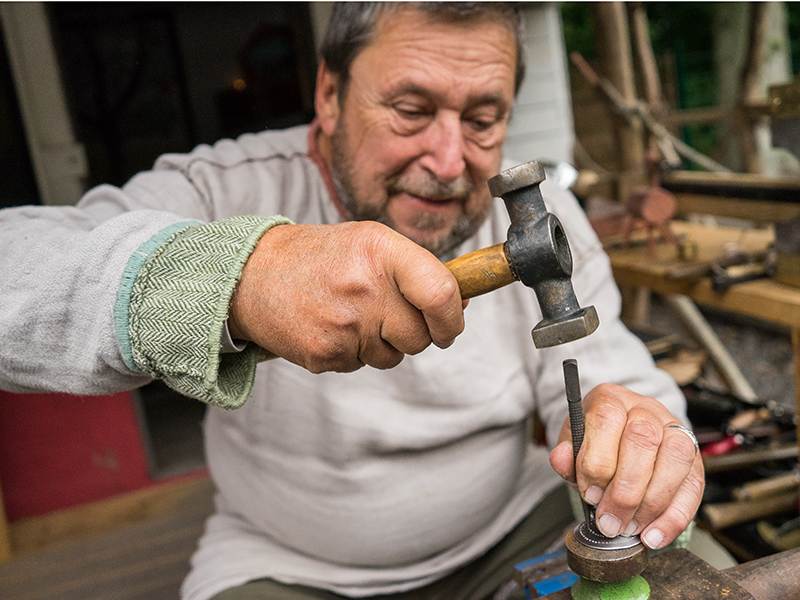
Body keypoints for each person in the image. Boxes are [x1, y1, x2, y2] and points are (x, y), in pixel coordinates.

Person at [0, 3, 704, 600]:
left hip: (509, 534)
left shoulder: (537, 219)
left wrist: (642, 435)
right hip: (291, 566)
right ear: (330, 96)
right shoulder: (224, 190)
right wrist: (239, 277)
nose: (451, 161)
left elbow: (609, 370)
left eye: (484, 119)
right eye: (410, 110)